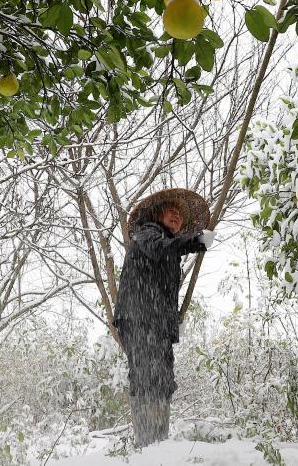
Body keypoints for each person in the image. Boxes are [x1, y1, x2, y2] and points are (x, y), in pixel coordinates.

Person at [113, 189, 214, 448]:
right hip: (140, 317)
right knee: (148, 376)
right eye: (171, 212)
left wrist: (172, 321)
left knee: (163, 378)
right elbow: (159, 250)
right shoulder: (148, 234)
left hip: (156, 322)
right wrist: (195, 241)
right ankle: (147, 444)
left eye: (180, 215)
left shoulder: (169, 251)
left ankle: (158, 443)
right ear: (157, 215)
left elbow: (165, 289)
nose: (177, 216)